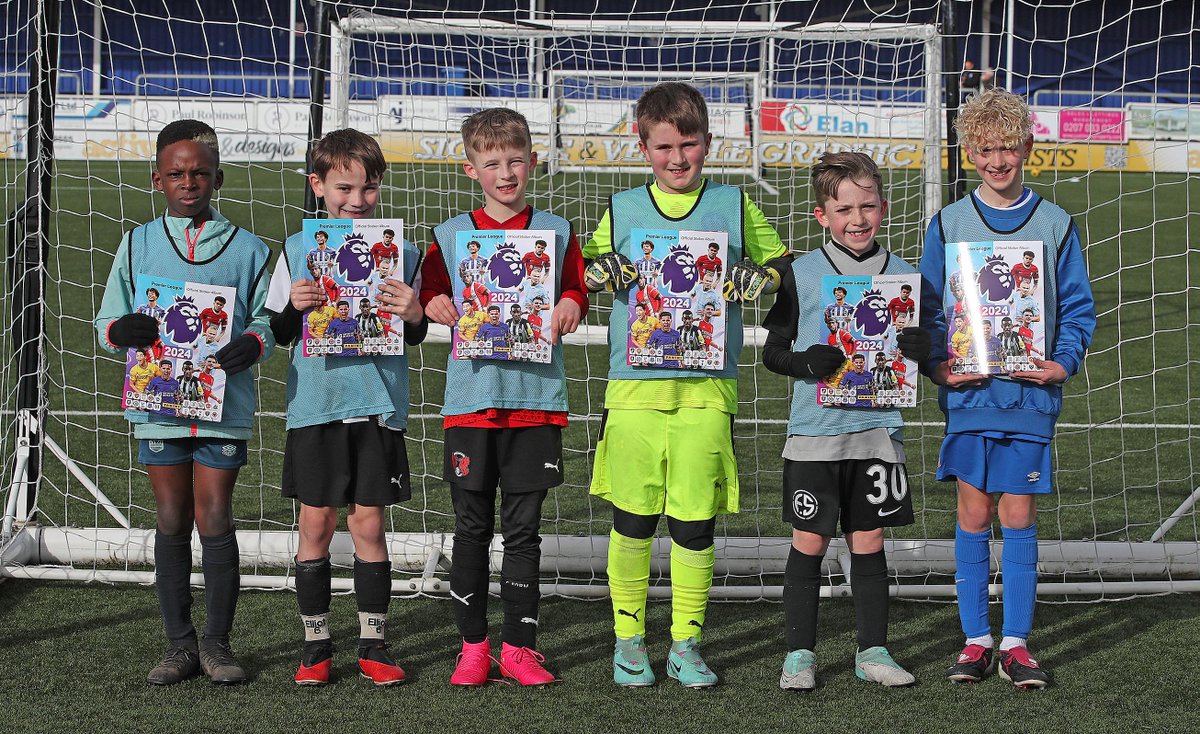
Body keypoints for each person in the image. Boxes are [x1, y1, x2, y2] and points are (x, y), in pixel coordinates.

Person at [582, 81, 791, 688]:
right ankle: (628, 641)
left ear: (708, 142)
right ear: (642, 145)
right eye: (665, 147)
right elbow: (589, 269)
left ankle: (686, 644)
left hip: (706, 393)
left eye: (690, 145)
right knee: (633, 522)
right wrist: (601, 272)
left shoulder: (733, 206)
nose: (678, 159)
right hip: (634, 393)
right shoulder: (622, 208)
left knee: (696, 524)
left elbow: (781, 263)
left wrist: (763, 278)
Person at [918, 88, 1095, 689]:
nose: (998, 160)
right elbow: (931, 310)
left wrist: (1061, 365)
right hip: (971, 397)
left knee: (1017, 515)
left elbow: (1077, 308)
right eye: (986, 149)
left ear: (1028, 146)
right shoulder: (947, 224)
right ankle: (975, 640)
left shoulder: (1055, 223)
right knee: (972, 513)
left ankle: (1016, 642)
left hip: (1028, 398)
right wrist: (942, 368)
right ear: (969, 152)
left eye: (1008, 148)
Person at [94, 119, 275, 685]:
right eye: (176, 173)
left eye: (199, 172)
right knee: (171, 517)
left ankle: (218, 644)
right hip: (158, 404)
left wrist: (254, 341)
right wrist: (120, 330)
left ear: (218, 177)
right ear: (157, 179)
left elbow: (269, 318)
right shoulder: (137, 242)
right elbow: (106, 318)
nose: (188, 181)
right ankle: (179, 645)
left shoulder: (248, 249)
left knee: (213, 514)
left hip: (222, 407)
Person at [420, 107, 587, 686]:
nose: (506, 172)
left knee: (523, 531)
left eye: (516, 160)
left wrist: (571, 303)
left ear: (533, 162)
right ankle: (472, 647)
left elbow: (573, 289)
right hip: (471, 402)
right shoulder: (449, 238)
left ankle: (519, 647)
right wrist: (434, 305)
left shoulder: (558, 232)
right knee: (470, 529)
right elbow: (429, 297)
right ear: (472, 170)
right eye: (492, 163)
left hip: (536, 400)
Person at [761, 151, 931, 691]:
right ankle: (799, 655)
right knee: (809, 540)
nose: (857, 219)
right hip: (815, 435)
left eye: (868, 206)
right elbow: (774, 351)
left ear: (884, 206)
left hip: (878, 432)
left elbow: (920, 356)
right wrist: (805, 363)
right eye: (844, 209)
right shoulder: (800, 272)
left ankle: (873, 651)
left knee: (870, 540)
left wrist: (924, 347)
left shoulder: (905, 277)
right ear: (821, 215)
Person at [265, 128, 427, 687]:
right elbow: (280, 332)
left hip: (378, 405)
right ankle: (315, 646)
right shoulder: (294, 249)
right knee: (316, 523)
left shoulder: (403, 251)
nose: (357, 201)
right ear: (318, 186)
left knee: (369, 525)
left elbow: (415, 336)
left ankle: (373, 644)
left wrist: (412, 312)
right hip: (317, 405)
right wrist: (294, 305)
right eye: (344, 188)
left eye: (369, 189)